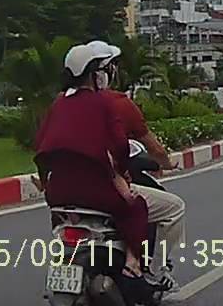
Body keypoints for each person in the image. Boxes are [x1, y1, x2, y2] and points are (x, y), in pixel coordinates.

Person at [33, 45, 149, 282]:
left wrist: (45, 182)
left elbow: (41, 149)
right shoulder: (104, 103)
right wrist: (123, 175)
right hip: (97, 192)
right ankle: (133, 263)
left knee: (61, 217)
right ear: (96, 75)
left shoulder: (58, 104)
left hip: (58, 194)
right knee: (136, 208)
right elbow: (120, 145)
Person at [85, 41, 185, 287]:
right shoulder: (117, 103)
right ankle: (153, 270)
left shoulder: (62, 103)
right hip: (106, 186)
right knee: (172, 207)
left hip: (67, 189)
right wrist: (168, 163)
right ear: (105, 72)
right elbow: (153, 148)